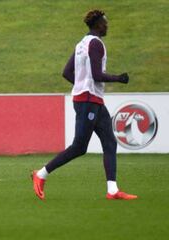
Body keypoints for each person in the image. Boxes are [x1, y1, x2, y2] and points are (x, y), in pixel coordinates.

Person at [32, 10, 137, 200]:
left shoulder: (81, 43)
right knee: (79, 146)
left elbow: (66, 72)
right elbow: (97, 75)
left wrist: (80, 85)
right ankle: (40, 174)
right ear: (97, 24)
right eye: (105, 22)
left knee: (110, 142)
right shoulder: (96, 44)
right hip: (88, 101)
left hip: (91, 100)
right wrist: (119, 78)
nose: (107, 25)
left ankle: (112, 190)